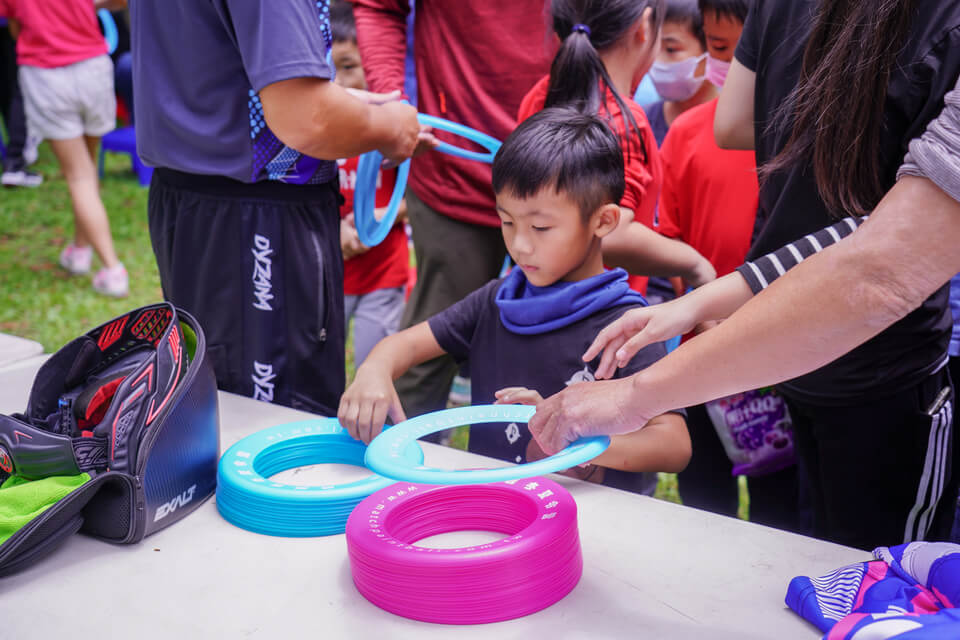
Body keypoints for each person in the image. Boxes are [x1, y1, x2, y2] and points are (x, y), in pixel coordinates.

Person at [530, 0, 960, 551]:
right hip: (848, 370)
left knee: (889, 571)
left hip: (881, 371)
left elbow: (878, 265)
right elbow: (851, 240)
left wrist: (635, 394)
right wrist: (693, 304)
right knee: (822, 552)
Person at [338, 109, 690, 493]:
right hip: (493, 506)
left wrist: (570, 443)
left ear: (604, 221)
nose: (520, 244)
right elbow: (403, 345)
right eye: (507, 222)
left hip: (590, 523)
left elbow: (673, 443)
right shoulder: (498, 299)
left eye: (541, 227)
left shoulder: (627, 325)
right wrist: (374, 369)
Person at [130, 0, 424, 416]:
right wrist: (390, 126)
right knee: (273, 419)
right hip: (256, 212)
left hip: (199, 197)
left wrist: (354, 108)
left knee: (215, 402)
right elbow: (306, 119)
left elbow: (226, 66)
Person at [349, 0, 552, 421]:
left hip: (563, 180)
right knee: (426, 359)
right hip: (453, 176)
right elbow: (377, 6)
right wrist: (394, 106)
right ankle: (398, 476)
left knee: (557, 355)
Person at [656, 0, 799, 531]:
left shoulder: (801, 135)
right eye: (720, 50)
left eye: (751, 51)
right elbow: (670, 238)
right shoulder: (691, 133)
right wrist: (701, 309)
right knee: (704, 496)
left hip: (781, 352)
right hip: (702, 350)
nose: (737, 67)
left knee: (779, 506)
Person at [516, 0, 716, 298]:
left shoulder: (542, 94)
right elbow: (612, 234)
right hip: (596, 315)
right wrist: (693, 263)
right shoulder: (621, 120)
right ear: (644, 27)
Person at [3, 0, 128, 296]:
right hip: (93, 69)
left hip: (47, 75)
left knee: (79, 176)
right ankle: (80, 251)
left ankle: (112, 269)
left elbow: (15, 29)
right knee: (88, 168)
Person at [330, 1, 409, 367]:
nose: (339, 83)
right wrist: (337, 231)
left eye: (348, 67)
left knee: (373, 368)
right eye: (327, 71)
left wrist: (380, 217)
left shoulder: (393, 133)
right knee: (320, 368)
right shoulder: (316, 136)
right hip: (329, 274)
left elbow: (414, 195)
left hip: (383, 275)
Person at [644, 0, 716, 146]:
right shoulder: (642, 124)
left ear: (711, 49)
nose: (658, 61)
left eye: (671, 49)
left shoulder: (728, 128)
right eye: (655, 48)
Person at [0, 16, 41, 187]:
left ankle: (14, 159)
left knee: (10, 90)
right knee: (18, 90)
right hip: (10, 22)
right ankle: (15, 160)